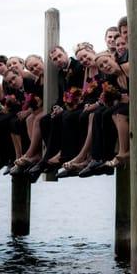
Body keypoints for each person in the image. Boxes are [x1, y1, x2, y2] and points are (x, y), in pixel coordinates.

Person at [27, 45, 85, 180]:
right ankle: (51, 154)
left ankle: (64, 154)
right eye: (54, 59)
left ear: (65, 53)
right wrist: (56, 107)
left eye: (59, 56)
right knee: (45, 120)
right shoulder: (60, 73)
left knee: (64, 117)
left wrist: (64, 108)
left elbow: (81, 91)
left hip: (79, 105)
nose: (58, 60)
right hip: (68, 106)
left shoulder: (77, 66)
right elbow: (61, 97)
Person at [56, 42, 104, 178]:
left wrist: (96, 104)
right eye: (81, 59)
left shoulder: (101, 65)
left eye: (85, 56)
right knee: (75, 115)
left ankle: (84, 156)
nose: (84, 60)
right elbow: (85, 92)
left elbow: (107, 88)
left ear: (92, 51)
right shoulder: (87, 70)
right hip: (90, 103)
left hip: (103, 103)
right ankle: (78, 156)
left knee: (88, 116)